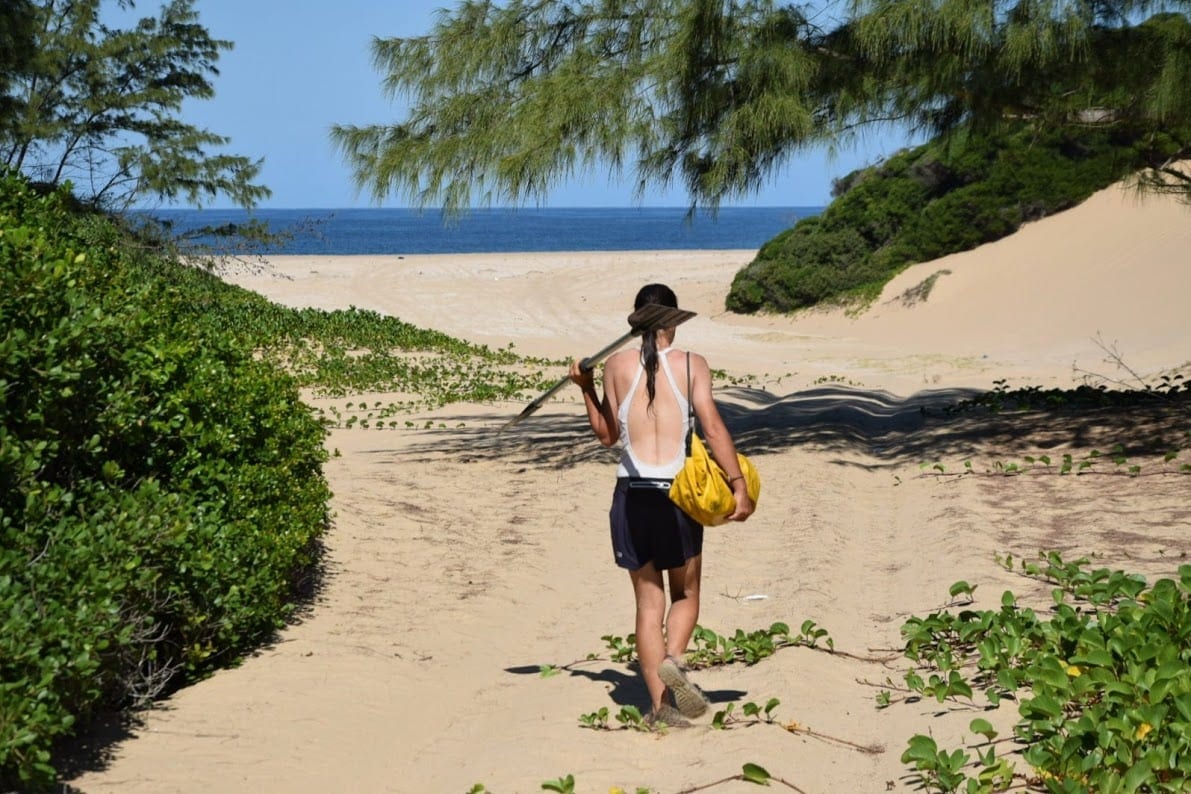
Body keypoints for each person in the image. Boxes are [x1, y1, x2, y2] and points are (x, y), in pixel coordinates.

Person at [568, 283, 754, 728]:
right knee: (686, 594)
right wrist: (738, 484)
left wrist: (586, 388)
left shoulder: (615, 365)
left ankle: (661, 708)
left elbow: (608, 436)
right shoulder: (692, 365)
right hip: (677, 496)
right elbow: (712, 425)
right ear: (671, 322)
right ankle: (673, 658)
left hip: (632, 495)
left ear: (638, 323)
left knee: (648, 604)